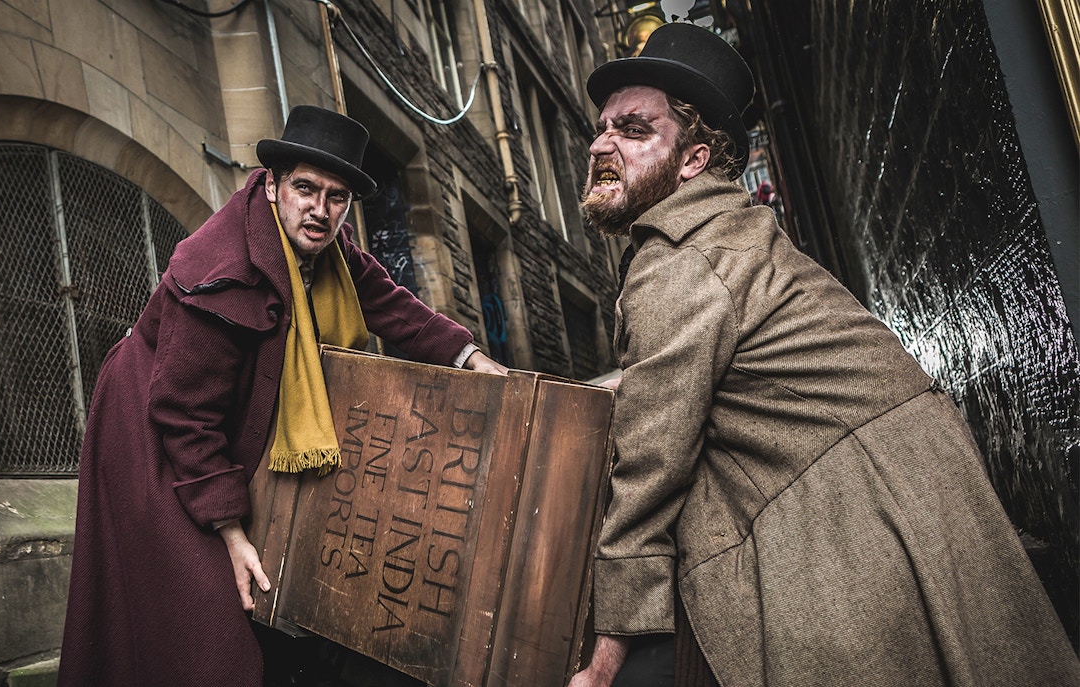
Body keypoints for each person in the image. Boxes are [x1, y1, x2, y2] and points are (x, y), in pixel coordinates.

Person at [569, 22, 1080, 687]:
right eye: (603, 126)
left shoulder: (681, 262)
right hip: (913, 495)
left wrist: (605, 657)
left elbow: (649, 470)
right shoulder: (732, 231)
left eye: (634, 129)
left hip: (861, 515)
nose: (603, 144)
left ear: (693, 160)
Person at [58, 105, 506, 686]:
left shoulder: (331, 248)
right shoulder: (221, 266)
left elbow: (390, 303)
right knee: (210, 613)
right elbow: (184, 412)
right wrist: (233, 532)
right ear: (272, 185)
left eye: (337, 196)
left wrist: (468, 355)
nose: (320, 210)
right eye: (305, 188)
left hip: (217, 415)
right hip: (151, 429)